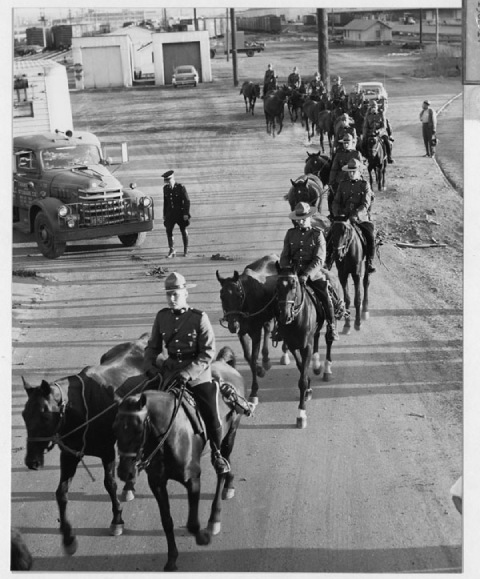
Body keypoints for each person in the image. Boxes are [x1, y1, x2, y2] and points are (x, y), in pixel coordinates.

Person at [143, 272, 231, 475]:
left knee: (211, 411)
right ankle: (140, 450)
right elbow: (152, 348)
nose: (172, 298)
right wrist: (150, 368)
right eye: (168, 295)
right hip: (169, 373)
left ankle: (217, 454)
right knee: (142, 405)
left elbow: (208, 352)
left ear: (185, 293)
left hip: (197, 375)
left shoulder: (199, 318)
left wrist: (189, 373)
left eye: (175, 294)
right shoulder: (162, 317)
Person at [279, 202, 339, 341]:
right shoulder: (290, 234)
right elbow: (284, 256)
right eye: (298, 219)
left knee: (325, 295)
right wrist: (288, 271)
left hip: (312, 274)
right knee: (279, 295)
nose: (300, 221)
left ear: (310, 218)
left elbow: (319, 259)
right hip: (293, 273)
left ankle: (331, 326)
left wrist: (306, 275)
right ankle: (279, 327)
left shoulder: (317, 234)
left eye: (303, 218)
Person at [330, 158, 376, 274]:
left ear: (359, 171)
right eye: (349, 171)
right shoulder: (342, 184)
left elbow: (365, 204)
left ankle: (369, 261)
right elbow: (336, 202)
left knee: (370, 236)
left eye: (353, 171)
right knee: (330, 233)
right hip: (342, 217)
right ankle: (328, 259)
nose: (351, 174)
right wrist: (337, 214)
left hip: (360, 219)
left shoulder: (365, 185)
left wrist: (354, 215)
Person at [328, 134, 365, 214]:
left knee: (367, 194)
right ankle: (333, 214)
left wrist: (356, 175)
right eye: (344, 143)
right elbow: (334, 170)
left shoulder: (357, 154)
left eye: (348, 143)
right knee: (331, 197)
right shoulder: (338, 154)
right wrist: (331, 182)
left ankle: (365, 214)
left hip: (355, 177)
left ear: (352, 143)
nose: (346, 145)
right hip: (340, 180)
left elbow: (361, 169)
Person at [162, 170, 190, 258]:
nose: (168, 182)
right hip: (170, 213)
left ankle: (186, 249)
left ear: (173, 178)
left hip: (180, 213)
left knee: (183, 230)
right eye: (166, 180)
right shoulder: (165, 189)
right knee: (168, 230)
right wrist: (164, 214)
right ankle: (171, 249)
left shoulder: (180, 187)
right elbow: (165, 202)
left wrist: (186, 213)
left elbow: (187, 201)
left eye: (169, 180)